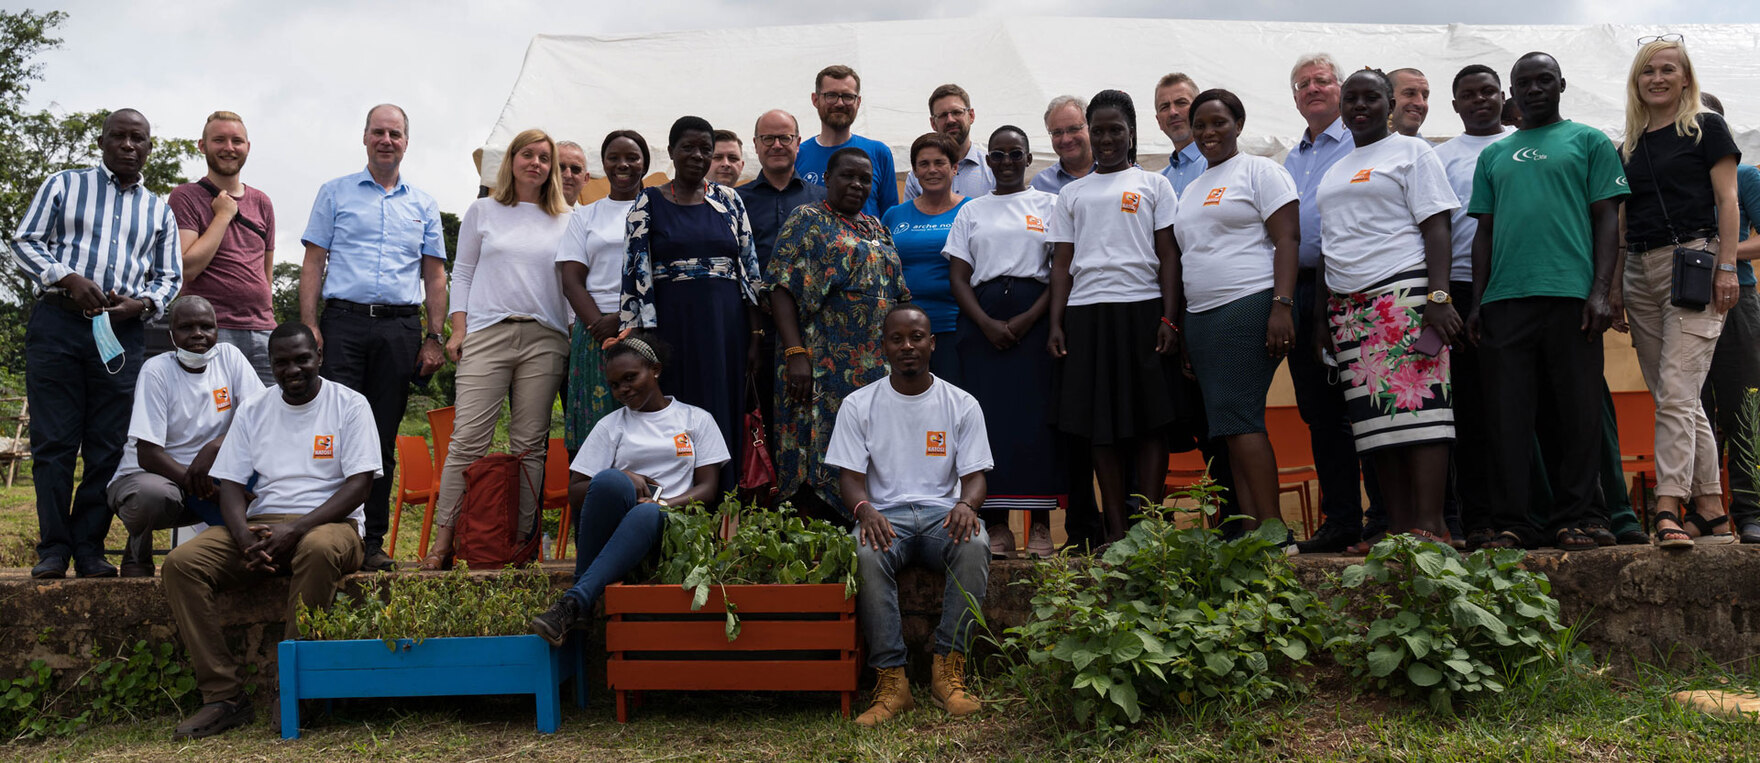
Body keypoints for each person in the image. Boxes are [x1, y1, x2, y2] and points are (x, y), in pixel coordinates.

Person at [161, 322, 379, 739]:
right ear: (271, 365)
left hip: (331, 526)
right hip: (262, 527)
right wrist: (243, 538)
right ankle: (223, 697)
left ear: (319, 357)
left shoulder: (349, 404)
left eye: (301, 359)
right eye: (282, 362)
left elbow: (359, 485)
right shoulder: (255, 409)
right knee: (182, 563)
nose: (292, 369)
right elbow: (231, 486)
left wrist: (295, 530)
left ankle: (295, 689)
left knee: (315, 549)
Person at [11, 108, 182, 580]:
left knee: (107, 446)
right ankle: (53, 549)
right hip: (59, 323)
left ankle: (89, 548)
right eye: (119, 137)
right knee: (54, 443)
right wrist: (66, 278)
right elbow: (23, 240)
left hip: (120, 333)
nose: (129, 145)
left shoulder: (158, 209)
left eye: (138, 139)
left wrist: (142, 305)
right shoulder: (65, 184)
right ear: (102, 141)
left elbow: (170, 278)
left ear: (150, 147)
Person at [1466, 52, 1627, 550]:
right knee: (1508, 417)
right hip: (1505, 303)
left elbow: (1608, 221)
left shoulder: (1590, 141)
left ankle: (1581, 516)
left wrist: (1602, 292)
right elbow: (1484, 234)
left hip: (1572, 299)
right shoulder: (1493, 155)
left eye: (1543, 80)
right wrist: (1477, 303)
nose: (1533, 89)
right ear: (1512, 93)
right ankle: (1514, 520)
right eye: (1524, 83)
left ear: (1561, 84)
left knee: (1576, 415)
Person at [299, 103, 447, 571]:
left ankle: (373, 542)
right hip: (342, 323)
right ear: (364, 137)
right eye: (379, 132)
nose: (387, 140)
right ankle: (325, 536)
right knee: (336, 431)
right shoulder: (334, 192)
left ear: (407, 141)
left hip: (400, 328)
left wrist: (434, 336)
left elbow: (435, 276)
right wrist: (310, 325)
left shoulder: (422, 203)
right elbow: (313, 263)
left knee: (382, 437)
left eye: (396, 133)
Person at [1316, 69, 1461, 544]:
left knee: (1421, 414)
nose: (1360, 107)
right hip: (1349, 308)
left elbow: (1438, 226)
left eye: (1370, 98)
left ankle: (1431, 525)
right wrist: (1324, 315)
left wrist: (1438, 298)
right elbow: (1328, 245)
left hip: (1404, 296)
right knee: (1376, 424)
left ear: (1388, 104)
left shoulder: (1412, 151)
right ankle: (1397, 529)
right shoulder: (1336, 166)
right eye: (1351, 99)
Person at [828, 304, 991, 727]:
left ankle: (947, 673)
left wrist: (966, 506)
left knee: (974, 542)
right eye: (897, 339)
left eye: (916, 337)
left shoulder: (962, 403)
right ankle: (892, 681)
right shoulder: (859, 404)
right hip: (887, 519)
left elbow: (975, 480)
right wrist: (865, 511)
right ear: (883, 347)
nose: (907, 347)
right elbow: (850, 480)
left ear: (932, 343)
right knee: (864, 553)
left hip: (944, 516)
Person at [421, 129, 573, 569]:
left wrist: (570, 335)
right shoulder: (483, 210)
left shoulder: (566, 217)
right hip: (487, 333)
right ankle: (443, 544)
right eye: (528, 155)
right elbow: (462, 272)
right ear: (512, 160)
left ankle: (519, 543)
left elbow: (568, 286)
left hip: (545, 338)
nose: (537, 164)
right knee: (468, 439)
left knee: (530, 446)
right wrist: (457, 329)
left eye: (545, 158)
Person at [1046, 89, 1190, 544]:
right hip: (1086, 315)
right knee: (1099, 427)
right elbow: (1062, 264)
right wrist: (1055, 322)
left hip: (1144, 310)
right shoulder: (1071, 193)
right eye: (1100, 130)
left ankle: (1147, 527)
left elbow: (1169, 256)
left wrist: (1171, 318)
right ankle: (1114, 530)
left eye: (1116, 130)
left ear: (1131, 134)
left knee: (1151, 422)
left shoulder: (1155, 185)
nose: (1107, 139)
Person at [1619, 38, 1743, 548]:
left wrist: (1727, 266)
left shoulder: (1705, 127)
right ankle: (1711, 509)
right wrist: (1613, 291)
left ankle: (1668, 507)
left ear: (1686, 77)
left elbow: (1728, 199)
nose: (1658, 78)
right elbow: (1623, 222)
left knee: (1674, 391)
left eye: (1668, 69)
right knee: (1679, 396)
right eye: (1648, 71)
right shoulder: (1626, 143)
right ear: (1637, 81)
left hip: (1691, 261)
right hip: (1637, 271)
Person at [530, 332, 729, 644]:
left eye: (630, 377)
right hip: (619, 525)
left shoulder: (696, 419)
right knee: (609, 480)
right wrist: (623, 475)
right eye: (615, 384)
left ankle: (575, 600)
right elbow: (576, 491)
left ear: (656, 370)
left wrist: (664, 505)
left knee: (645, 515)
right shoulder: (611, 425)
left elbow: (708, 488)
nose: (623, 389)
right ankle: (576, 604)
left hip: (675, 523)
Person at [1172, 89, 1301, 536]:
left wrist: (1282, 305)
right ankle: (1250, 534)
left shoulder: (1261, 171)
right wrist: (1187, 330)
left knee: (1241, 416)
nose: (1208, 132)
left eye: (1219, 122)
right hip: (1202, 317)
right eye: (1200, 125)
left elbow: (1288, 239)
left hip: (1248, 303)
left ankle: (1273, 532)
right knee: (1228, 425)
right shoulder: (1189, 189)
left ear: (1239, 125)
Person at [767, 147, 912, 518]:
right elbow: (780, 287)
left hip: (874, 366)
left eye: (865, 179)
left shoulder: (877, 227)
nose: (857, 184)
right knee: (818, 448)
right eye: (848, 175)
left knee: (866, 443)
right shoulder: (808, 219)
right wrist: (794, 352)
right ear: (827, 179)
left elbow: (898, 294)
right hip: (819, 362)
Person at [619, 116, 762, 491]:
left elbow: (749, 269)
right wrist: (643, 339)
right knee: (678, 413)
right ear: (671, 153)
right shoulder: (647, 202)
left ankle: (727, 510)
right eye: (688, 148)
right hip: (672, 328)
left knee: (723, 408)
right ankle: (680, 504)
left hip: (725, 327)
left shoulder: (730, 201)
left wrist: (755, 334)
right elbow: (634, 273)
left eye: (705, 149)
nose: (697, 155)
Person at [945, 125, 1064, 558]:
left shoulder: (1051, 204)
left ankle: (1041, 530)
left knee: (1037, 422)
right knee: (988, 423)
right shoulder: (971, 211)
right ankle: (996, 527)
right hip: (982, 323)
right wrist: (986, 324)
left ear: (1030, 158)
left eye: (1016, 154)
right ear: (988, 161)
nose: (1008, 162)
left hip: (1035, 320)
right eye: (998, 155)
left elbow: (1058, 272)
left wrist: (1030, 319)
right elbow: (958, 276)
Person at [1281, 54, 1376, 555]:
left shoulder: (1362, 138)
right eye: (1303, 84)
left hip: (1352, 285)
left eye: (1322, 81)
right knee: (1318, 411)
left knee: (1369, 404)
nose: (1313, 89)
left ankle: (1385, 518)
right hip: (1299, 289)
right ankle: (1342, 519)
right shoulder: (1291, 158)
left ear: (1339, 88)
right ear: (1294, 97)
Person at [106, 296, 264, 577]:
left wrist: (214, 446)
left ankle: (229, 551)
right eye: (186, 327)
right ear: (171, 335)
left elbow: (261, 418)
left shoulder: (230, 358)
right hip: (159, 476)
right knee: (152, 498)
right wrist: (211, 493)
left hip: (213, 471)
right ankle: (138, 548)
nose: (198, 335)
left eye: (206, 326)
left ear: (217, 329)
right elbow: (148, 455)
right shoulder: (156, 371)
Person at [1431, 65, 1515, 548]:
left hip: (1518, 287)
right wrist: (1439, 296)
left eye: (1489, 91)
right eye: (1469, 94)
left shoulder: (1521, 147)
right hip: (1459, 291)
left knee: (1517, 407)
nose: (1480, 100)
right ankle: (1477, 519)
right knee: (1468, 412)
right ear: (1456, 103)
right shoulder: (1439, 158)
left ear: (1502, 96)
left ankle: (1525, 514)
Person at [169, 111, 276, 385]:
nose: (229, 148)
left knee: (271, 419)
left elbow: (266, 274)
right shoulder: (186, 197)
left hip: (263, 330)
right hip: (211, 330)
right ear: (202, 146)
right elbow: (188, 267)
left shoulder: (262, 201)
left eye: (236, 141)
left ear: (247, 147)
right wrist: (223, 215)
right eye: (219, 140)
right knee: (213, 418)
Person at [559, 130, 649, 453]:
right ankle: (592, 500)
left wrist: (625, 321)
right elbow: (571, 280)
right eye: (614, 158)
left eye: (632, 157)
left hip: (646, 331)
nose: (622, 164)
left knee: (644, 428)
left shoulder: (659, 210)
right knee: (594, 431)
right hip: (594, 332)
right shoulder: (586, 214)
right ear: (603, 164)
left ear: (645, 164)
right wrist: (602, 328)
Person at [1698, 92, 1760, 545]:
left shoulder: (1744, 175)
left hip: (1738, 296)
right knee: (1690, 407)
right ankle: (1702, 508)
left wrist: (1717, 256)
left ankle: (1752, 509)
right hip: (1676, 301)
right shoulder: (1667, 179)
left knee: (1744, 403)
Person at [884, 133, 971, 384]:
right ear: (914, 171)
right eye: (924, 164)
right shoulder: (893, 215)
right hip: (905, 335)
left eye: (940, 162)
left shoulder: (972, 211)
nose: (932, 170)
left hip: (956, 327)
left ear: (954, 167)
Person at [796, 65, 898, 218]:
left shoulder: (879, 153)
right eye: (831, 95)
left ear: (858, 102)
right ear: (815, 100)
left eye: (848, 96)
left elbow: (890, 219)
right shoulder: (797, 155)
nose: (839, 103)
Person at [738, 110, 828, 270]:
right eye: (768, 138)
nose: (777, 145)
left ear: (798, 143)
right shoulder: (736, 201)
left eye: (785, 138)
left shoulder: (824, 200)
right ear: (756, 145)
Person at [905, 84, 995, 200]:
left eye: (957, 112)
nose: (950, 120)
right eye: (942, 115)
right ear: (933, 123)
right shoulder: (916, 178)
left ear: (971, 115)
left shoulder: (992, 170)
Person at [1154, 73, 1209, 193]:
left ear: (1199, 109)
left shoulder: (1218, 165)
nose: (1173, 112)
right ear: (1159, 121)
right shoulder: (1160, 181)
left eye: (1181, 103)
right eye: (1165, 107)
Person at [1032, 95, 1094, 193]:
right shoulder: (1040, 185)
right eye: (1057, 132)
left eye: (1073, 129)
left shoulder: (1114, 171)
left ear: (1090, 128)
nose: (1066, 139)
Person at [1390, 68, 1431, 137]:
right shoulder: (1366, 146)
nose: (1420, 103)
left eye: (1425, 96)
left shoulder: (1430, 148)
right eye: (1410, 93)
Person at [557, 140, 589, 206]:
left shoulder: (590, 216)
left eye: (575, 169)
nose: (568, 175)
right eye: (560, 168)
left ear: (585, 179)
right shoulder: (530, 213)